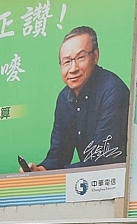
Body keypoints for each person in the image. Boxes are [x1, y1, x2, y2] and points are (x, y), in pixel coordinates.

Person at [21, 26, 130, 171]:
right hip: (89, 182)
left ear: (95, 56)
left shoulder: (113, 91)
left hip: (123, 182)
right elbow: (59, 153)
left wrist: (56, 174)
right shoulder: (64, 98)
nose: (73, 69)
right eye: (66, 62)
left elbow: (104, 158)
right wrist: (42, 170)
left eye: (80, 58)